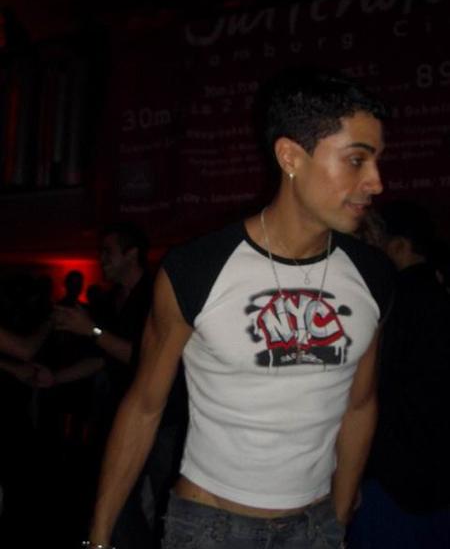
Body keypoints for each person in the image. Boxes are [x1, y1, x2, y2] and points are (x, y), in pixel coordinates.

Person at [85, 67, 394, 549]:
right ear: (290, 157)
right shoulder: (198, 267)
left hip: (313, 527)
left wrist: (336, 520)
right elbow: (144, 406)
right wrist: (100, 537)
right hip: (210, 527)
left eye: (376, 162)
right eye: (357, 160)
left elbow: (360, 404)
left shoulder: (373, 274)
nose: (375, 182)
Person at [55, 221, 186, 549]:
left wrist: (93, 332)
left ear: (132, 254)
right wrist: (54, 377)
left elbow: (147, 357)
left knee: (165, 503)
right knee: (115, 502)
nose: (101, 259)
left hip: (163, 420)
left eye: (107, 252)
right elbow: (105, 358)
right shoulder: (114, 300)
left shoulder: (156, 294)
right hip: (125, 418)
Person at [347, 201, 450, 549]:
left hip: (394, 481)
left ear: (399, 246)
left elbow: (367, 393)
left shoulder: (391, 302)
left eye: (377, 240)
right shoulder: (437, 295)